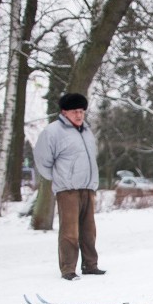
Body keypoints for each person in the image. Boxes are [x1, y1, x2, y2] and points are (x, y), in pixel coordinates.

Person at [34, 93, 105, 281]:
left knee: (89, 230)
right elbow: (42, 161)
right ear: (64, 112)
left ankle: (90, 265)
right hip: (68, 190)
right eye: (75, 112)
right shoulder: (53, 132)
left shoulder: (87, 131)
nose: (79, 115)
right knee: (70, 231)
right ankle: (68, 269)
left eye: (81, 111)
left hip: (88, 188)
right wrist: (60, 178)